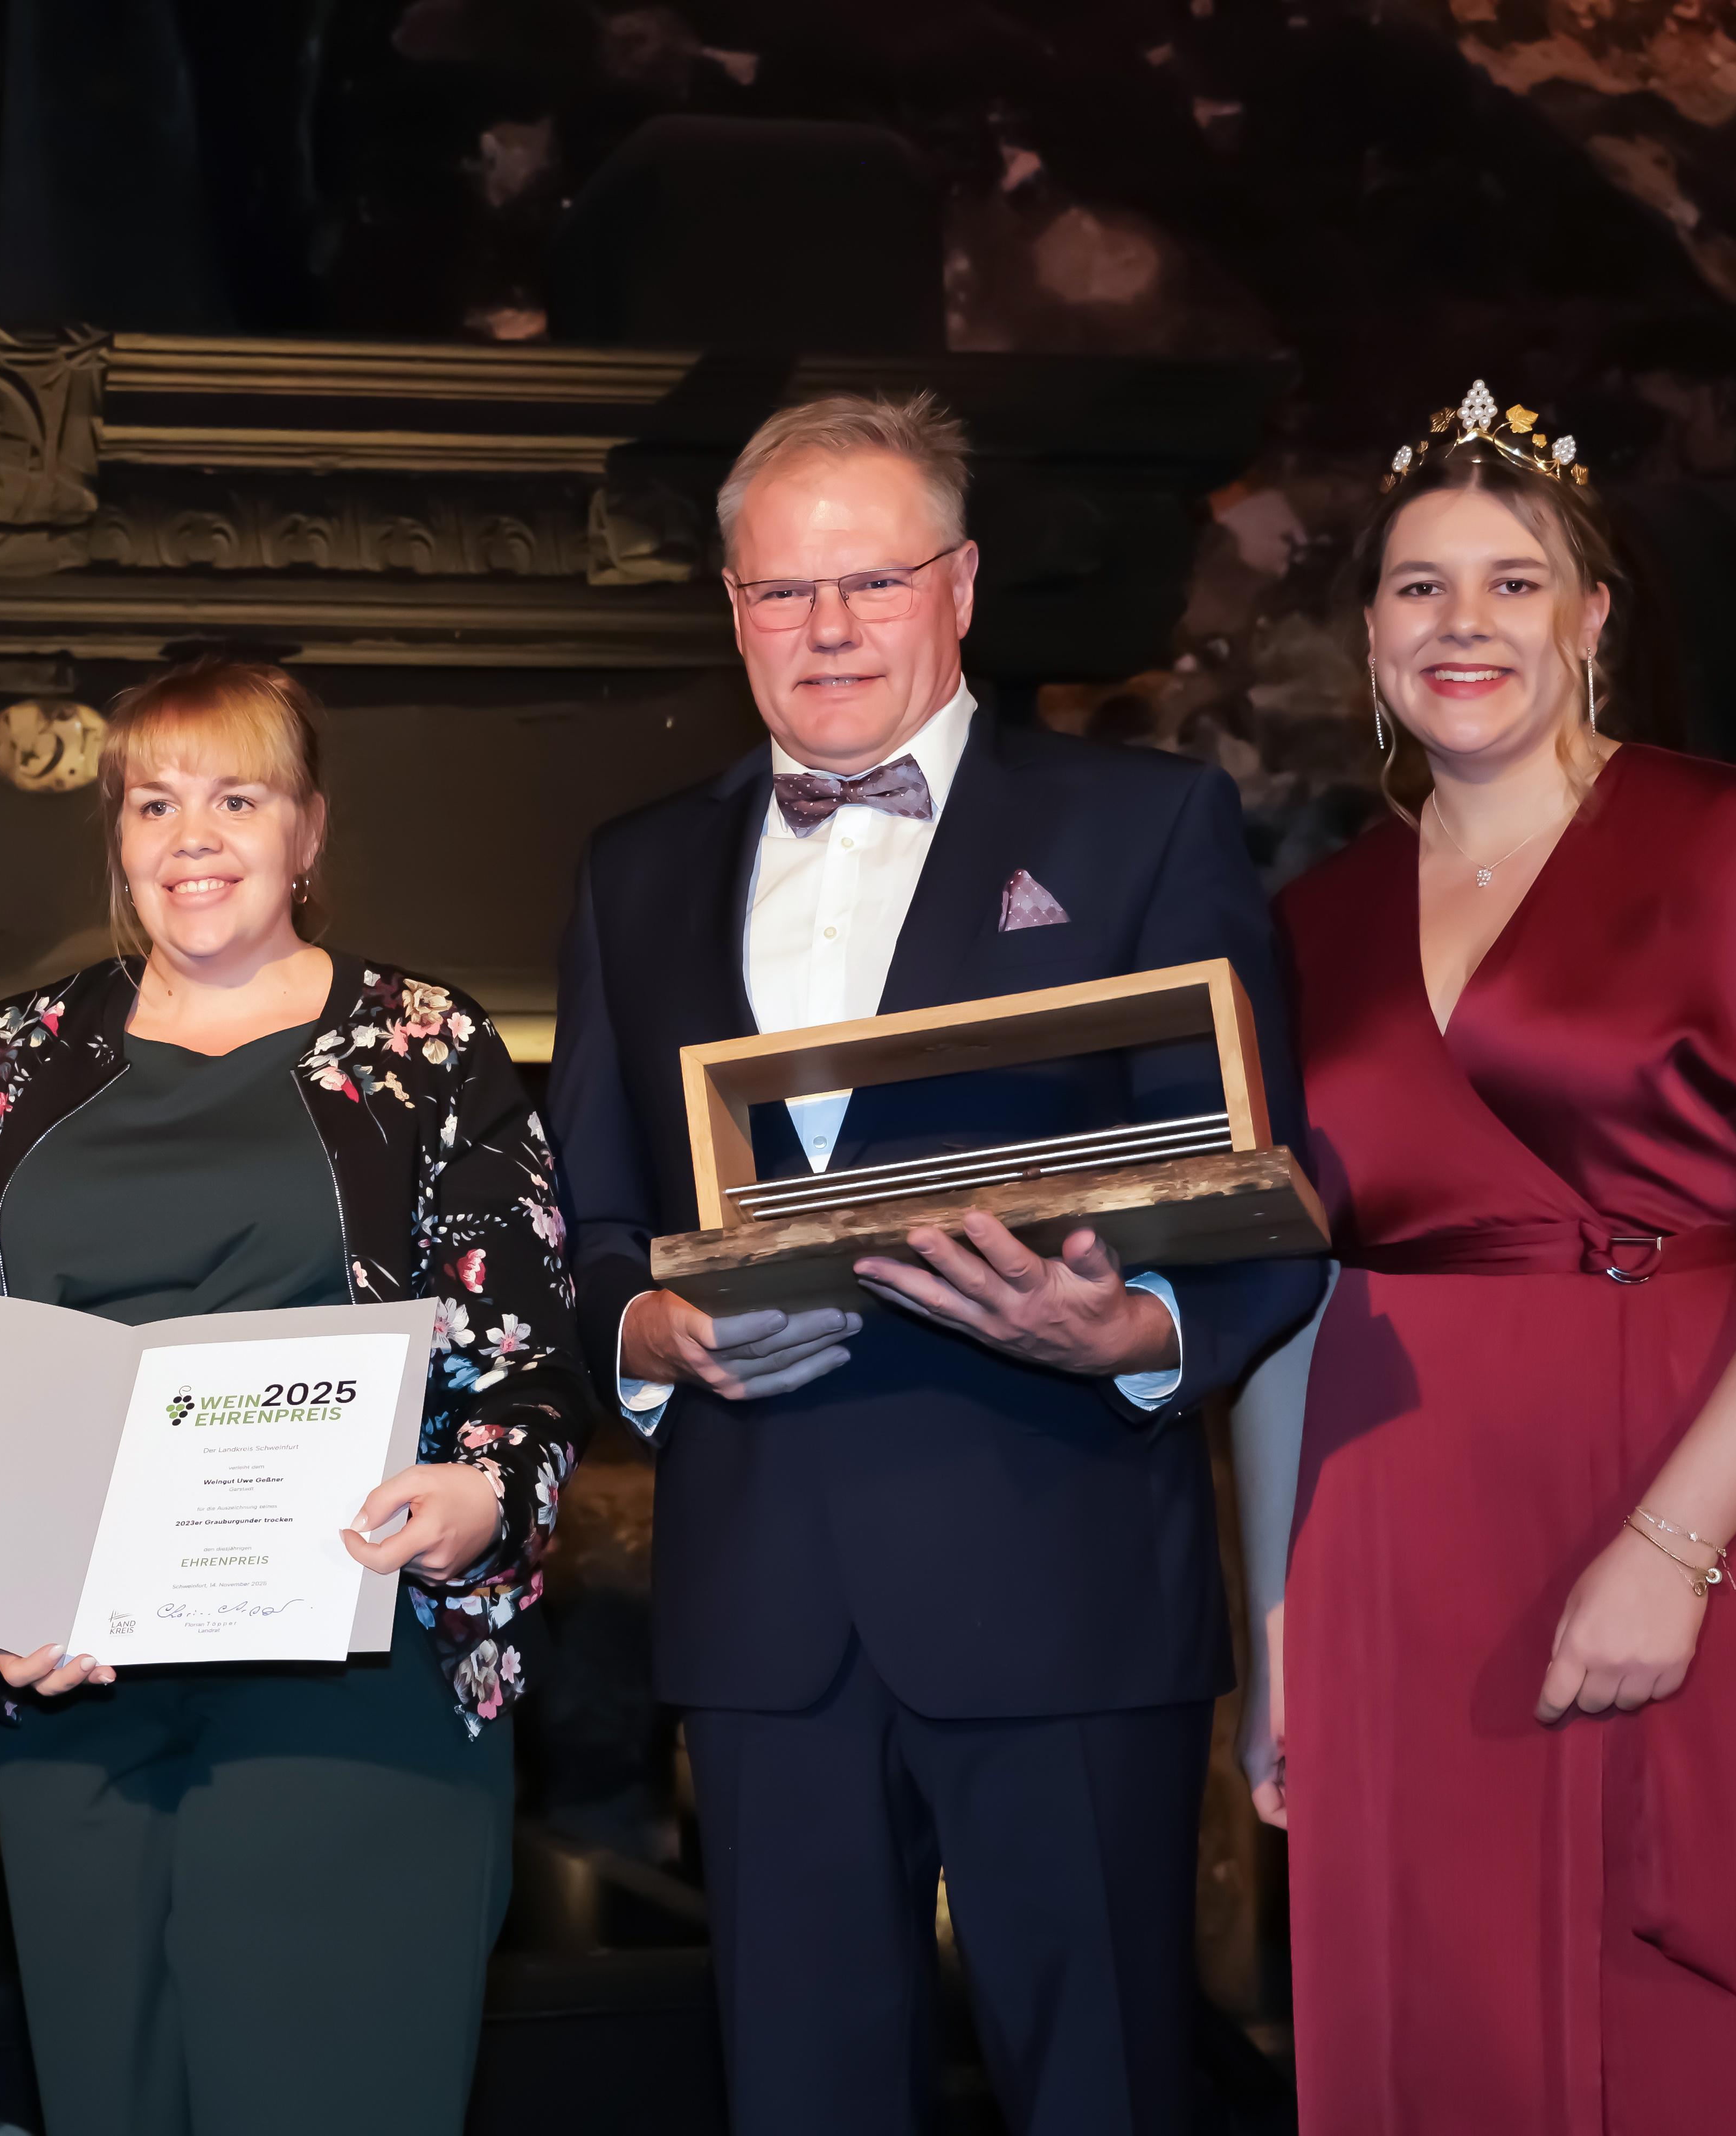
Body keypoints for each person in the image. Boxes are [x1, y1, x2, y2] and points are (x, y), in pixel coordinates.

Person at [545, 391, 1324, 2133]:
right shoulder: (632, 871)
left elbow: (1270, 1186)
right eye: (780, 590)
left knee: (1105, 2091)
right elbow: (587, 1224)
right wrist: (650, 1331)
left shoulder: (1144, 823)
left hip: (1061, 1576)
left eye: (871, 581)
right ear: (731, 606)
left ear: (958, 587)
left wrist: (1135, 1329)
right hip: (763, 1614)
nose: (825, 626)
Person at [1237, 382, 1736, 2128]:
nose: (1464, 623)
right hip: (1391, 1534)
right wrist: (1278, 1622)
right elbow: (1290, 1292)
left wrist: (1673, 1544)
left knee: (1719, 2013)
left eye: (1511, 582)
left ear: (1589, 619)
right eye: (1419, 587)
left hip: (1703, 1481)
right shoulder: (1303, 927)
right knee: (1435, 2017)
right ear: (1371, 639)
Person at [0, 657, 590, 2136]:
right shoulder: (15, 1054)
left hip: (355, 1684)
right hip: (77, 1692)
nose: (193, 838)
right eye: (154, 803)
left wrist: (479, 1497)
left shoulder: (428, 1045)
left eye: (237, 798)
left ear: (308, 831)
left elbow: (524, 1350)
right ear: (116, 836)